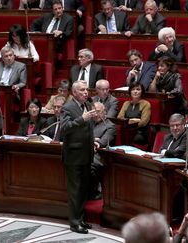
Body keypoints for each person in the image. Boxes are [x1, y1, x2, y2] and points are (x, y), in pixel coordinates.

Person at [60, 81, 97, 234]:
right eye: (82, 90)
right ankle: (74, 223)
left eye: (86, 89)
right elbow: (64, 128)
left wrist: (92, 141)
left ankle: (81, 219)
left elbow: (87, 129)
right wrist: (81, 119)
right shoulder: (67, 107)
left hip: (86, 154)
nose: (85, 92)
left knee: (83, 190)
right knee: (75, 191)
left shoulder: (87, 105)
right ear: (74, 92)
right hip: (73, 156)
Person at [90, 102, 115, 199]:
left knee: (87, 165)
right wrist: (91, 140)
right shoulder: (89, 123)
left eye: (98, 112)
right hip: (87, 152)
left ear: (105, 112)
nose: (95, 114)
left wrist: (94, 142)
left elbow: (103, 142)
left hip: (100, 156)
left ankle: (96, 190)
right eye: (93, 112)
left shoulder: (110, 126)